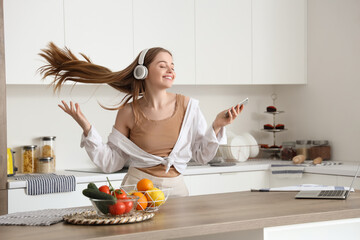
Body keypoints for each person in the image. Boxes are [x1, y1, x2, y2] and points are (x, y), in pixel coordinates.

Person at [38, 43, 243, 197]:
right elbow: (111, 162)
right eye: (163, 66)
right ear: (142, 72)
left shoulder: (189, 107)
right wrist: (87, 127)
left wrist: (217, 125)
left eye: (172, 66)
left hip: (177, 191)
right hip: (137, 190)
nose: (170, 70)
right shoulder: (128, 112)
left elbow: (201, 156)